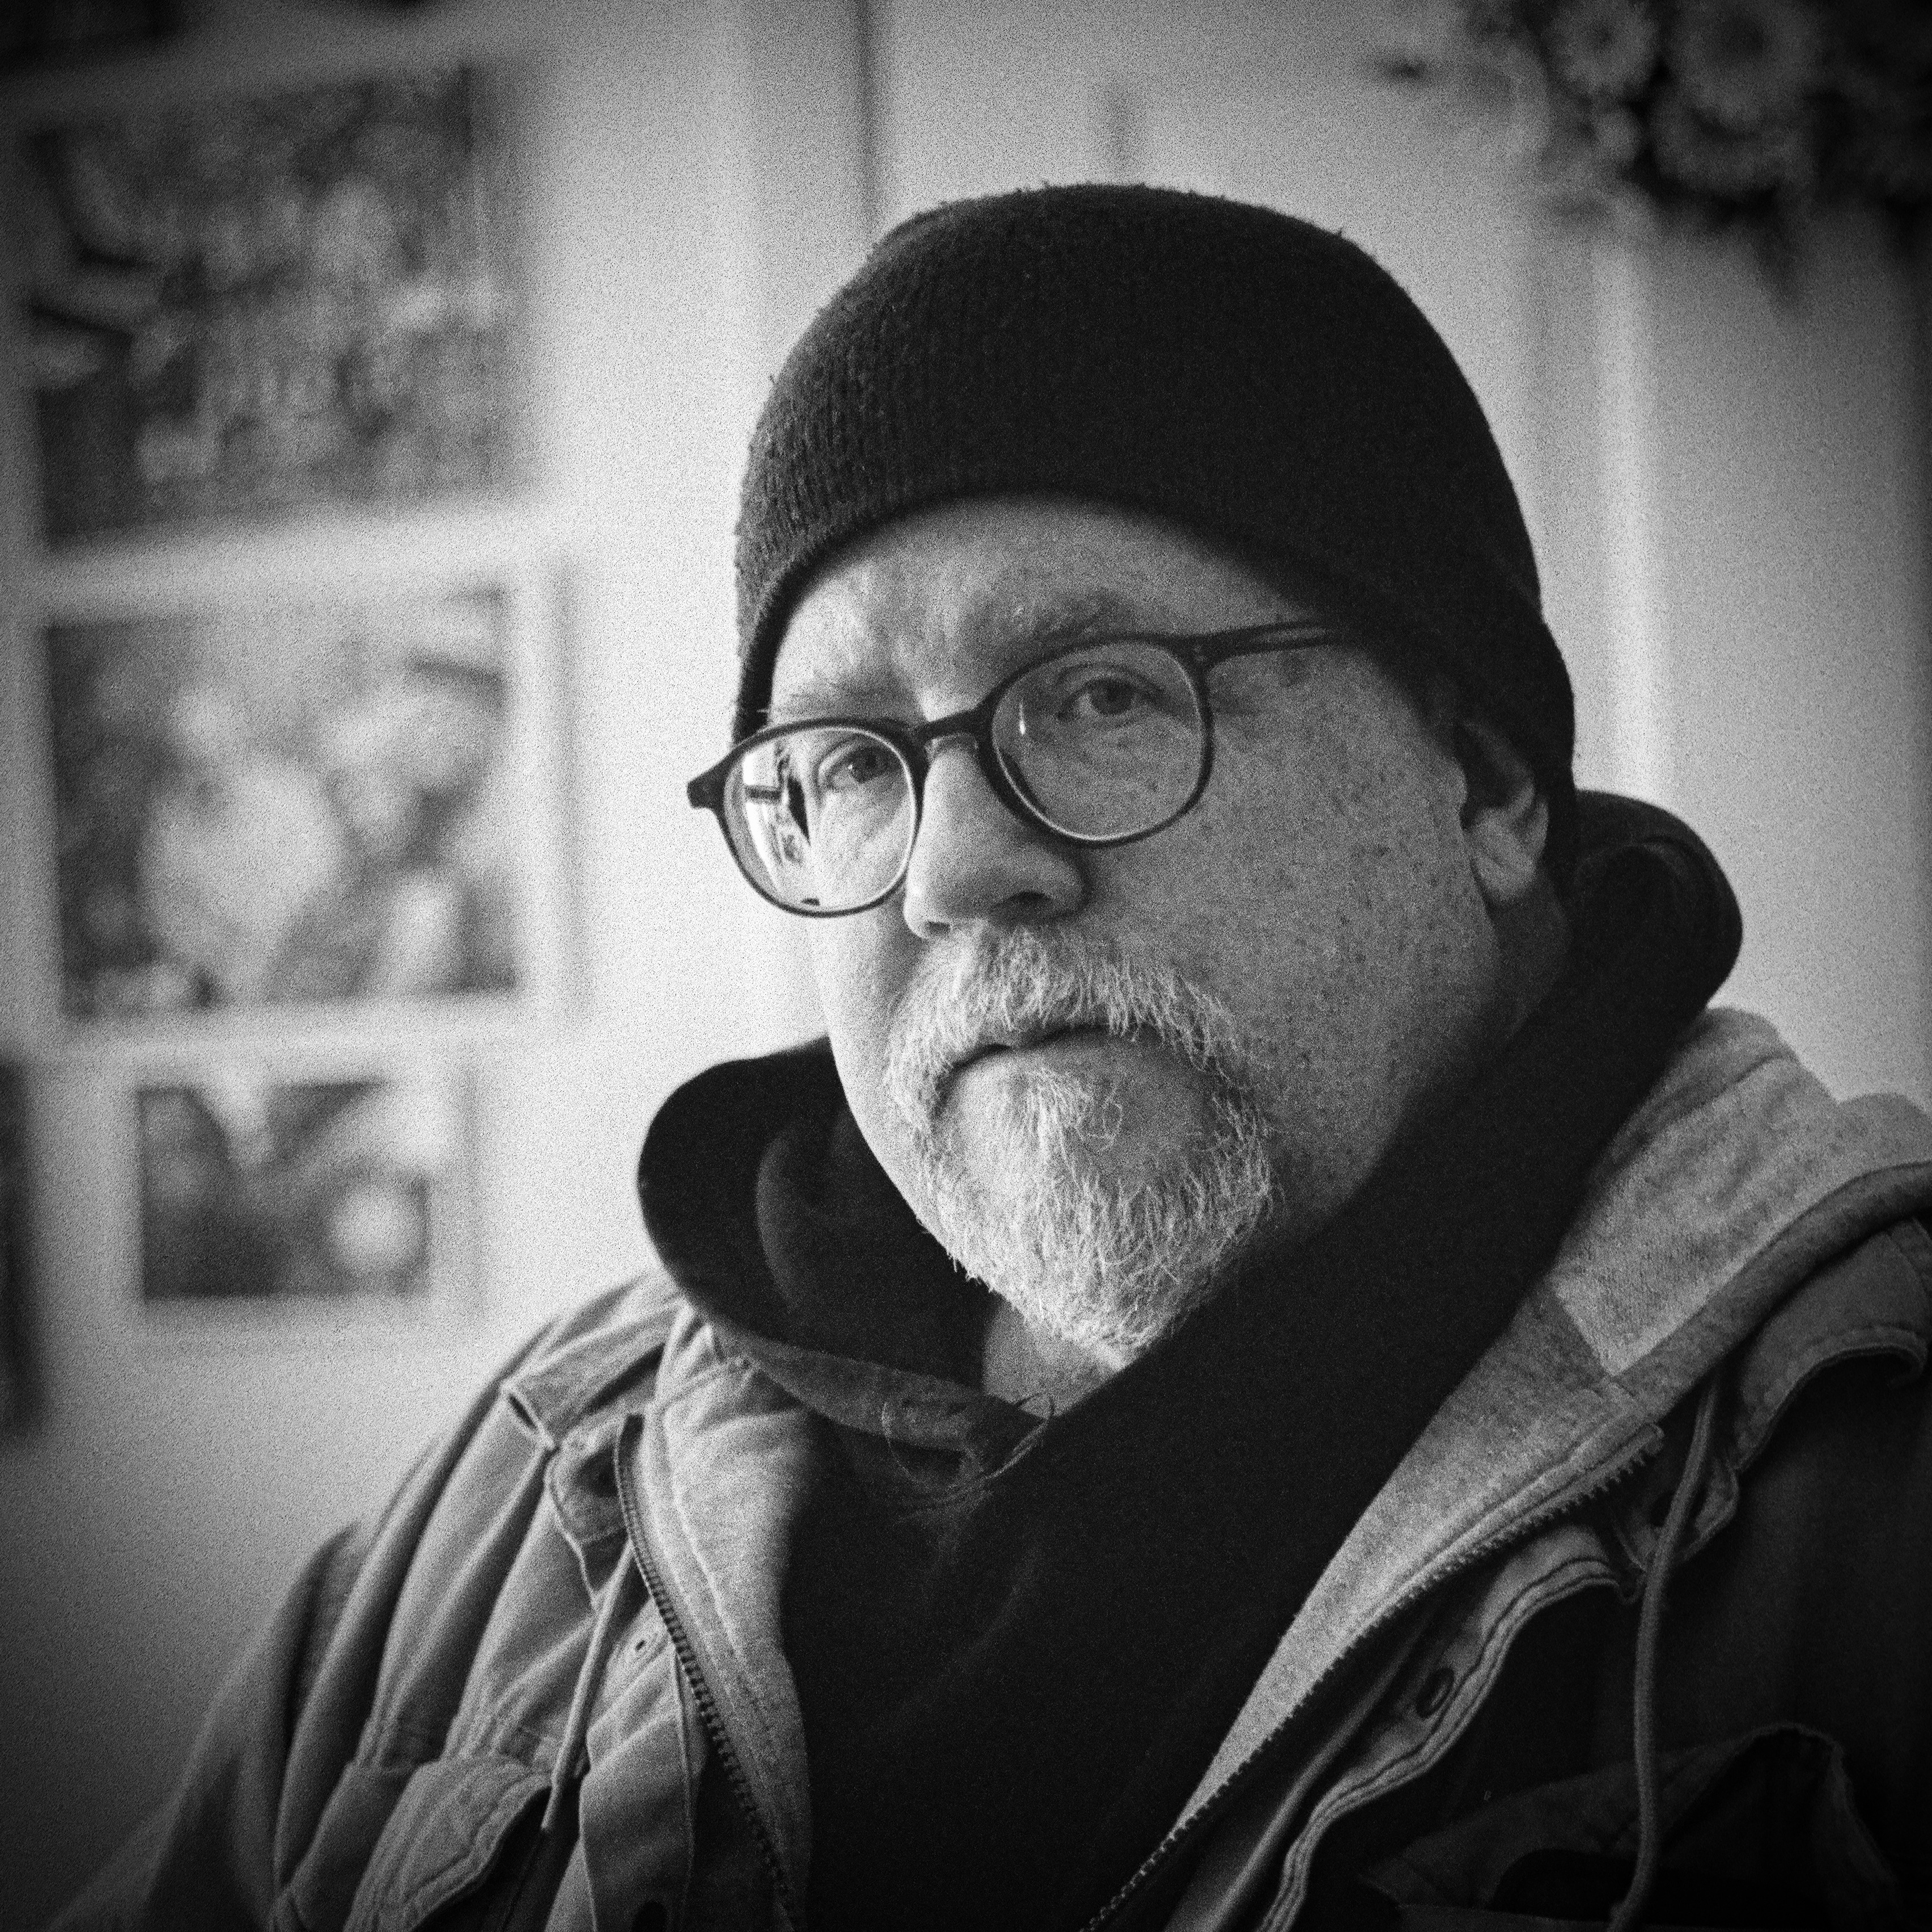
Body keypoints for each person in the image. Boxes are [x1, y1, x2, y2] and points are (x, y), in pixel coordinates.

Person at [56, 185, 1932, 1932]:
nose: (954, 870)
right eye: (849, 764)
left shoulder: (1862, 1462)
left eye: (1105, 695)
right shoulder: (534, 1481)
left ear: (1490, 782)